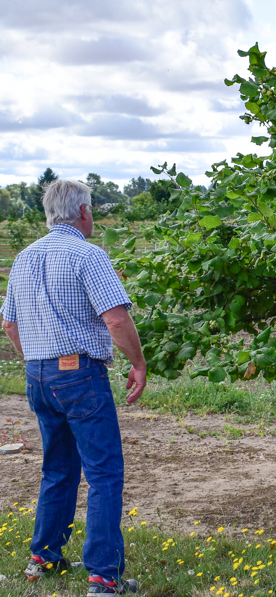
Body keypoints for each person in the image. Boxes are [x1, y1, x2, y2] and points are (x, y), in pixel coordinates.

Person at [1, 179, 147, 595]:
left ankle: (43, 558)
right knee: (104, 474)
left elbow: (9, 323)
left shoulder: (24, 258)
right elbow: (115, 319)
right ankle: (103, 576)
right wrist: (137, 363)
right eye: (93, 209)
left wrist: (32, 359)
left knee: (58, 468)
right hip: (79, 375)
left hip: (39, 374)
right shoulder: (88, 255)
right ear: (84, 211)